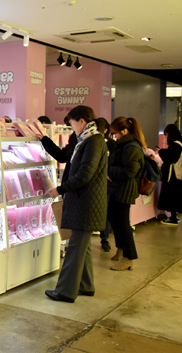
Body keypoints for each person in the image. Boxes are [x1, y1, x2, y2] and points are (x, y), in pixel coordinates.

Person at [44, 106, 108, 303]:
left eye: (71, 123)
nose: (71, 127)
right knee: (82, 246)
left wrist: (61, 189)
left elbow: (84, 174)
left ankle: (65, 291)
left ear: (81, 121)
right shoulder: (86, 140)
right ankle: (85, 285)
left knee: (74, 248)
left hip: (86, 203)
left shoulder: (93, 141)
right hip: (84, 201)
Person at [107, 116, 145, 271]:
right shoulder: (124, 145)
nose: (114, 136)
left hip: (125, 189)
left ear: (124, 131)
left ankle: (129, 257)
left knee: (122, 223)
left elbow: (130, 171)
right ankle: (121, 249)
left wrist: (109, 171)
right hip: (117, 188)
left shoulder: (131, 147)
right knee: (114, 218)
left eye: (115, 133)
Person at [95, 117, 116, 252]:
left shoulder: (112, 145)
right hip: (92, 182)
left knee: (105, 212)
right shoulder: (90, 142)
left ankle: (105, 238)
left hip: (106, 184)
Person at [158, 124, 182, 226]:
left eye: (166, 134)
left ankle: (173, 218)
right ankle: (174, 216)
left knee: (171, 196)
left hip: (172, 175)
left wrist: (161, 152)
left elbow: (171, 158)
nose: (165, 137)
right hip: (176, 175)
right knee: (175, 196)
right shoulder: (181, 143)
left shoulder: (175, 145)